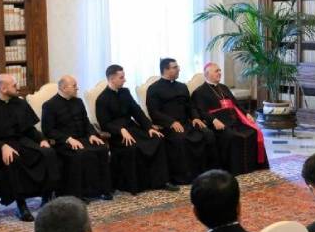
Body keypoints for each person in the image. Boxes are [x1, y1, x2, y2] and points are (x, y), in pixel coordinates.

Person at [0, 74, 60, 222]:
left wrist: (42, 140)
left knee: (48, 153)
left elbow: (30, 129)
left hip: (22, 141)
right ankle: (21, 205)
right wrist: (2, 146)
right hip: (0, 146)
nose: (17, 87)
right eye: (14, 85)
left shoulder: (20, 103)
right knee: (14, 159)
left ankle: (46, 197)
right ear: (3, 88)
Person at [95, 64, 176, 194]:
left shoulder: (125, 92)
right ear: (112, 79)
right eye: (121, 77)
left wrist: (149, 127)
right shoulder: (102, 99)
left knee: (157, 139)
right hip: (118, 135)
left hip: (133, 128)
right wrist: (120, 130)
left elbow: (136, 111)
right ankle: (137, 185)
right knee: (133, 147)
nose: (125, 80)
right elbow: (104, 124)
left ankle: (161, 181)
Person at [41, 75, 112, 202]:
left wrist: (91, 134)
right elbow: (48, 130)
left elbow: (86, 121)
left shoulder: (78, 101)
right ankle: (78, 194)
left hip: (83, 138)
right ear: (63, 88)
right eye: (74, 86)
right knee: (80, 154)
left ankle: (103, 190)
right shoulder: (49, 105)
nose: (77, 88)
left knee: (101, 148)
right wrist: (68, 139)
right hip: (64, 143)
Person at [147, 58, 217, 185]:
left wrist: (195, 117)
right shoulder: (154, 89)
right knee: (181, 140)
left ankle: (207, 172)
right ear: (165, 70)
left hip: (187, 123)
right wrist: (171, 122)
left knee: (208, 134)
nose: (179, 69)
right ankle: (185, 177)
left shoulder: (182, 86)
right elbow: (154, 112)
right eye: (175, 67)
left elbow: (190, 106)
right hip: (169, 126)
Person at [191, 62, 267, 175]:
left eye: (220, 70)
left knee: (253, 132)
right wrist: (213, 120)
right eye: (216, 71)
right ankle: (234, 169)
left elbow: (236, 104)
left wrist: (246, 113)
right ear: (207, 74)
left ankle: (253, 166)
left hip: (235, 120)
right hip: (219, 123)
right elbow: (201, 111)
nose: (219, 73)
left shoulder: (224, 87)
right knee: (231, 137)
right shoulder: (199, 92)